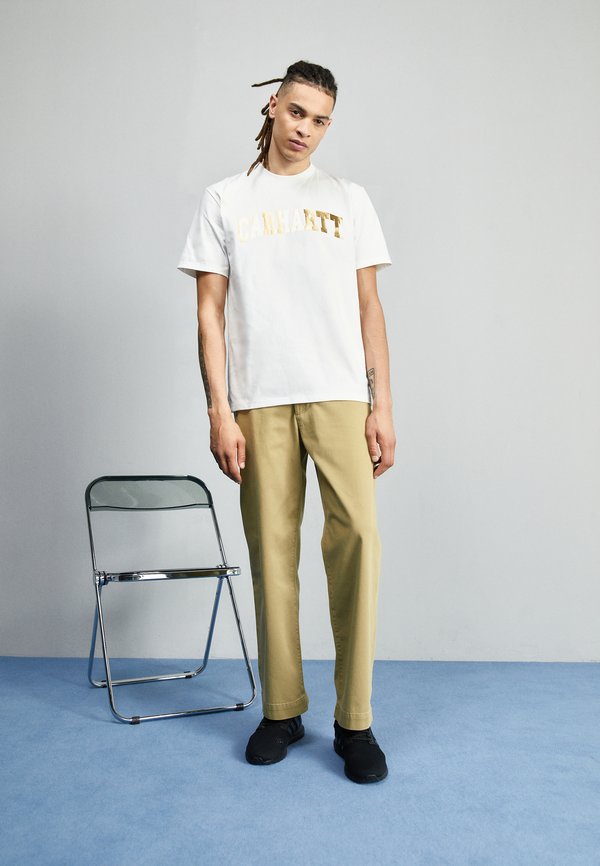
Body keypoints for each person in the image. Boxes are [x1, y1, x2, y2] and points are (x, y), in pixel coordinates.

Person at [177, 60, 395, 784]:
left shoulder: (349, 198)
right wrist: (219, 409)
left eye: (321, 120)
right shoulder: (226, 198)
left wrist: (383, 405)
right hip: (260, 398)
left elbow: (369, 306)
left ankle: (355, 720)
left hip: (340, 393)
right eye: (297, 112)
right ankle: (282, 709)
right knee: (272, 553)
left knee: (358, 542)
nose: (306, 129)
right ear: (273, 106)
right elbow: (209, 311)